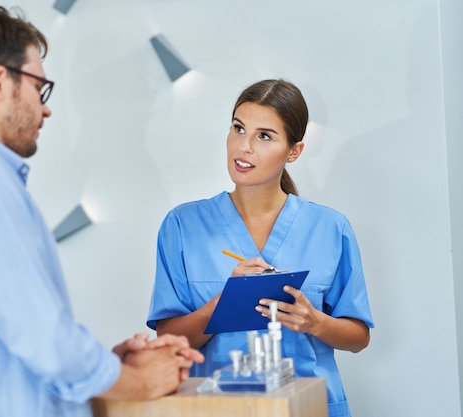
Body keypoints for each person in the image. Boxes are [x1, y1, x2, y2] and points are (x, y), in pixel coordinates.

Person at [0, 5, 203, 417]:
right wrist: (138, 381)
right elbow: (44, 339)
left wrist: (108, 367)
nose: (46, 108)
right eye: (40, 87)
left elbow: (7, 339)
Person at [146, 79, 374, 417]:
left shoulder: (330, 228)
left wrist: (315, 322)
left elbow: (358, 336)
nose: (244, 147)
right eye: (238, 128)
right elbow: (169, 340)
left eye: (264, 136)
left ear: (294, 151)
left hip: (307, 406)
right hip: (216, 406)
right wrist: (224, 302)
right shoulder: (182, 226)